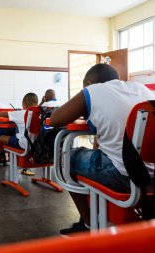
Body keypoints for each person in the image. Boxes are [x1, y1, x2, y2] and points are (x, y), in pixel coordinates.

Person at [50, 64, 155, 236]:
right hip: (150, 173)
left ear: (89, 82)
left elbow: (54, 120)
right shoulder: (141, 88)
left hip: (124, 174)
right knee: (101, 151)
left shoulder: (92, 91)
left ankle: (89, 223)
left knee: (67, 157)